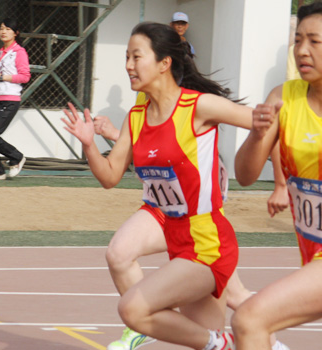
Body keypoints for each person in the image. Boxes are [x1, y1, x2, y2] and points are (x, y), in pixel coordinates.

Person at [62, 21, 257, 350]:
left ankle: (232, 339)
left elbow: (264, 122)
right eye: (126, 57)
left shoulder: (198, 106)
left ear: (164, 63)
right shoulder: (136, 115)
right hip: (176, 236)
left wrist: (282, 179)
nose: (128, 66)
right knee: (205, 339)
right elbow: (110, 177)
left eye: (136, 57)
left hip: (208, 241)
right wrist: (89, 144)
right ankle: (235, 340)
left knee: (133, 308)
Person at [93, 112, 289, 350]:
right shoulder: (142, 108)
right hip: (161, 210)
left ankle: (271, 343)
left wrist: (280, 184)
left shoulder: (195, 106)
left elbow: (168, 145)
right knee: (118, 254)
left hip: (200, 221)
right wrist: (114, 135)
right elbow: (149, 146)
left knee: (235, 295)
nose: (132, 72)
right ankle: (144, 322)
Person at [232, 3, 322, 349]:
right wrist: (258, 133)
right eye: (298, 40)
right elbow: (245, 176)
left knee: (250, 319)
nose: (302, 50)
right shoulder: (283, 98)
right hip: (312, 254)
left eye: (314, 41)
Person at [0, 17, 30, 180]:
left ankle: (17, 157)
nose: (3, 31)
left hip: (9, 100)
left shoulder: (19, 52)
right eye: (1, 28)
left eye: (8, 29)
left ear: (16, 33)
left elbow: (25, 77)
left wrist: (1, 77)